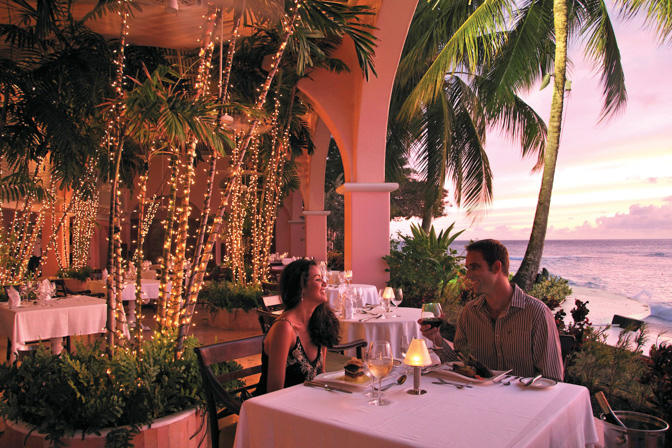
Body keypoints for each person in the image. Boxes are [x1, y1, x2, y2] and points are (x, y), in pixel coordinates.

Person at [420, 239, 564, 381]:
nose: (468, 275)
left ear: (496, 267)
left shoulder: (536, 313)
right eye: (467, 268)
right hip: (477, 393)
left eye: (474, 267)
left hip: (522, 395)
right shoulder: (470, 312)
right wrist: (437, 339)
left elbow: (552, 378)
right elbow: (460, 363)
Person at [255, 259, 340, 395]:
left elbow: (320, 374)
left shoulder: (320, 322)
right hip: (276, 405)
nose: (325, 283)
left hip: (308, 401)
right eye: (317, 279)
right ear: (301, 288)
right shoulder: (284, 328)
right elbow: (274, 392)